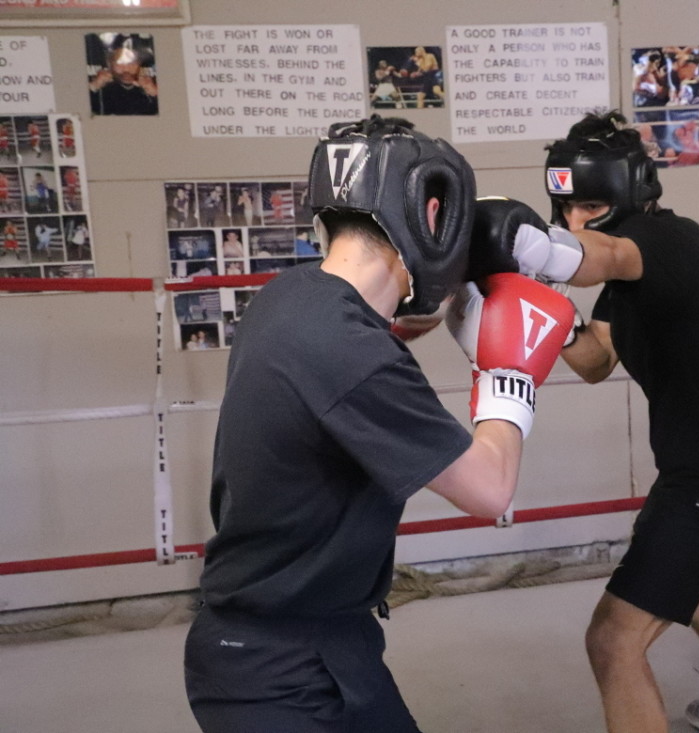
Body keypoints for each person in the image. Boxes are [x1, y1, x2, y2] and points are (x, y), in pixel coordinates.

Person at [182, 116, 574, 733]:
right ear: (432, 212)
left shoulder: (288, 296)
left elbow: (369, 345)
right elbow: (489, 488)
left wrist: (456, 287)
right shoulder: (355, 356)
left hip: (306, 642)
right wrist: (508, 375)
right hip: (279, 673)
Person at [471, 110, 699, 732]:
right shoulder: (628, 278)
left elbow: (604, 253)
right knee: (674, 565)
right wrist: (548, 314)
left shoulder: (661, 242)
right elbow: (595, 361)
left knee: (612, 640)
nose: (575, 222)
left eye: (590, 206)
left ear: (629, 196)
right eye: (566, 208)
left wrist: (506, 243)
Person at [89, 45, 158, 116]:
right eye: (120, 63)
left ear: (139, 64)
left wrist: (154, 93)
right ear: (109, 64)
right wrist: (94, 86)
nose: (126, 69)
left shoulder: (150, 87)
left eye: (132, 63)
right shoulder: (102, 90)